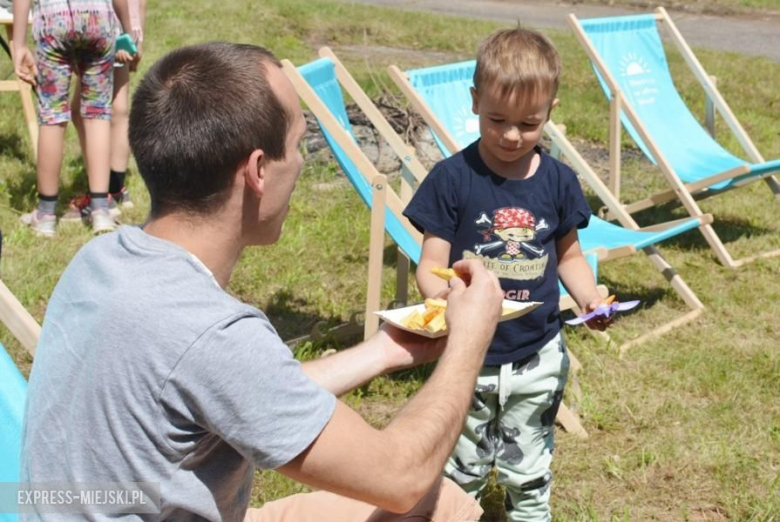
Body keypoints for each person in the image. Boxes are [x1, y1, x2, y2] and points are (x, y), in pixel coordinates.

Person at [20, 41, 505, 521]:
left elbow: (235, 385)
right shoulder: (211, 332)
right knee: (442, 506)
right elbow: (400, 478)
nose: (297, 165)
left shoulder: (102, 258)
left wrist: (384, 352)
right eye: (296, 147)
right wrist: (470, 338)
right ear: (256, 170)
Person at [403, 27, 612, 521]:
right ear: (475, 101)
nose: (512, 135)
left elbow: (569, 258)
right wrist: (447, 295)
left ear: (550, 112)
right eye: (497, 119)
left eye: (528, 123)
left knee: (529, 466)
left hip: (537, 352)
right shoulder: (453, 179)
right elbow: (429, 267)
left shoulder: (558, 181)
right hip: (469, 353)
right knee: (462, 465)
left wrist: (588, 298)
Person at [12, 0, 132, 237]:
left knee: (52, 116)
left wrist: (19, 43)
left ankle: (46, 214)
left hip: (53, 19)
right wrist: (127, 30)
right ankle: (100, 209)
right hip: (99, 18)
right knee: (97, 113)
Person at [64, 0, 146, 224]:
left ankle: (102, 194)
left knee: (84, 112)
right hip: (123, 28)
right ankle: (116, 188)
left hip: (103, 25)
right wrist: (136, 38)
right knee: (118, 109)